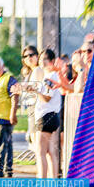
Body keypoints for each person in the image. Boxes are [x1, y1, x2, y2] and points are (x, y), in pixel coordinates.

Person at [32, 49, 62, 178]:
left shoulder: (50, 77)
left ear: (51, 61)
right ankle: (53, 181)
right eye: (40, 58)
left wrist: (36, 90)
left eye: (44, 59)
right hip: (52, 115)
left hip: (46, 116)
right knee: (51, 152)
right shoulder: (52, 76)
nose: (41, 61)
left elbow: (46, 98)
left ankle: (42, 182)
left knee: (40, 152)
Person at [20, 45, 43, 147]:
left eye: (31, 55)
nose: (28, 58)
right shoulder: (31, 72)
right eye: (25, 56)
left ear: (37, 56)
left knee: (36, 141)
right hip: (31, 107)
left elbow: (34, 90)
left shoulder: (37, 70)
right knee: (33, 140)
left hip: (36, 107)